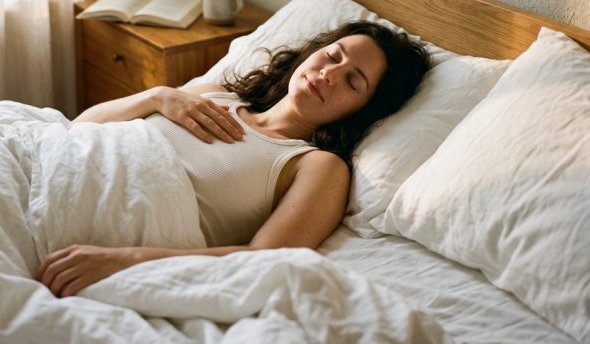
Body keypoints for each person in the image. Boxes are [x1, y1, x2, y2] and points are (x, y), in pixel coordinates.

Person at [37, 21, 429, 297]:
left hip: (98, 224)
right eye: (332, 56)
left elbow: (262, 261)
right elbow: (78, 127)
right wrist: (156, 96)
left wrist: (122, 262)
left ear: (364, 110)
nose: (329, 74)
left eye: (352, 81)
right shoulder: (213, 93)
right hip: (48, 168)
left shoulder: (317, 167)